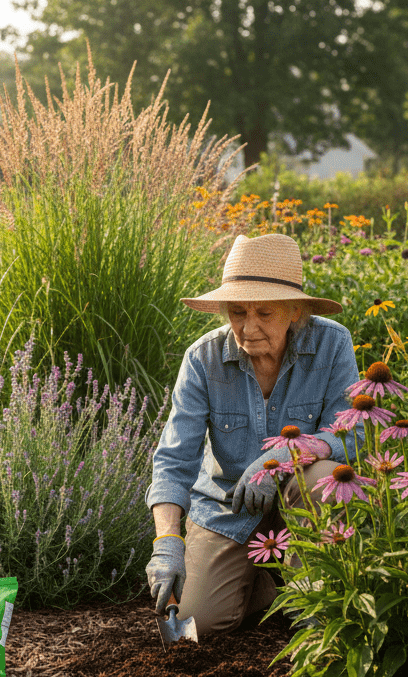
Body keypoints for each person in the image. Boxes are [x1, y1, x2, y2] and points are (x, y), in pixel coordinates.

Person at [144, 233, 363, 636]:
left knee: (322, 477)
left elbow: (352, 435)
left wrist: (284, 456)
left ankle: (314, 606)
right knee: (199, 625)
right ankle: (265, 581)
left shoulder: (332, 343)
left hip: (302, 501)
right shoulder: (203, 359)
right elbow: (174, 461)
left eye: (264, 312)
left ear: (295, 311)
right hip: (229, 508)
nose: (248, 326)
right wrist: (167, 541)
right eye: (238, 311)